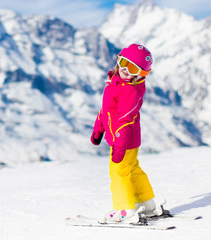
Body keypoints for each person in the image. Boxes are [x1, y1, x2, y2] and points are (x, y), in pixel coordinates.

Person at [90, 43, 161, 223]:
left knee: (118, 173)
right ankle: (147, 204)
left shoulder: (129, 90)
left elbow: (125, 121)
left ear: (142, 73)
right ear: (118, 61)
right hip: (125, 141)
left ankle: (124, 210)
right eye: (124, 63)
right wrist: (98, 129)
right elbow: (106, 110)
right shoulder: (115, 83)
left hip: (124, 141)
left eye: (133, 69)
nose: (127, 71)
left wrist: (120, 146)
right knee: (133, 170)